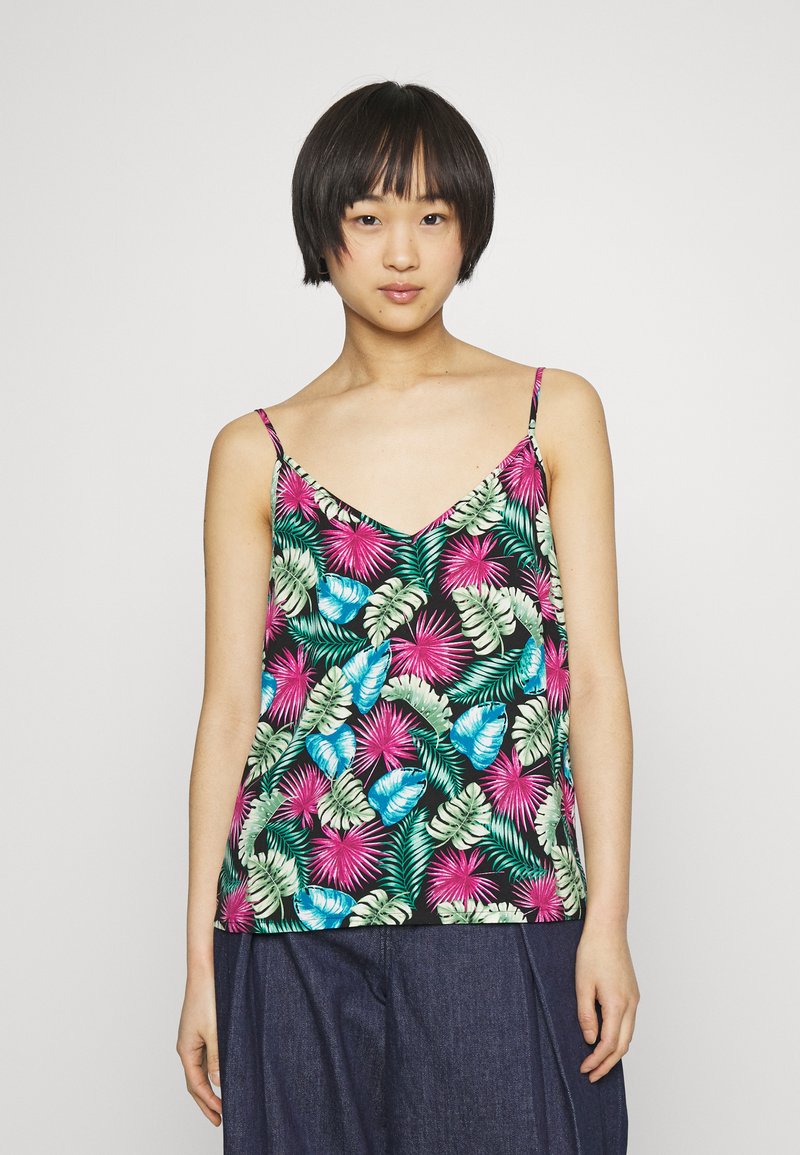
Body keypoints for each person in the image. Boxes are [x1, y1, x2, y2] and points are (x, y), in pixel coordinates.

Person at [176, 79, 639, 1154]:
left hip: (506, 908)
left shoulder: (552, 413)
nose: (400, 251)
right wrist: (199, 963)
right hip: (291, 921)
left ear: (468, 230)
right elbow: (229, 713)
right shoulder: (255, 451)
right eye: (369, 215)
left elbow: (597, 686)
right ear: (323, 231)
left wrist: (607, 921)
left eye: (432, 216)